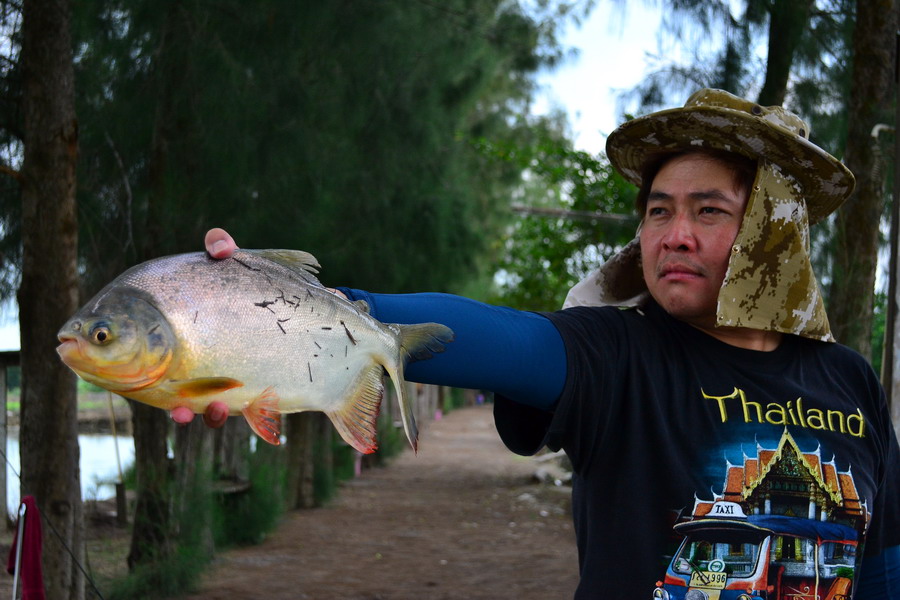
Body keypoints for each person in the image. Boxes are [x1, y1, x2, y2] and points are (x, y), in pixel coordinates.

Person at [178, 89, 900, 598]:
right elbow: (491, 337)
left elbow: (880, 566)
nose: (673, 235)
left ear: (772, 235)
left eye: (709, 212)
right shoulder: (618, 356)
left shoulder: (848, 381)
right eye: (658, 211)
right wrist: (267, 303)